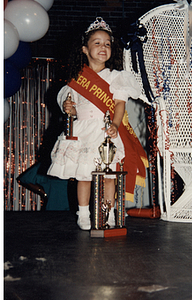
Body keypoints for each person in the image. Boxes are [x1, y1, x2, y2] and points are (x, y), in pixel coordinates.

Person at [47, 17, 142, 230]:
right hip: (83, 132)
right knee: (84, 176)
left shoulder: (116, 77)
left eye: (107, 44)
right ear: (84, 49)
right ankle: (83, 214)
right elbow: (68, 103)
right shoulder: (77, 78)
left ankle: (107, 214)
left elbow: (119, 105)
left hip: (104, 130)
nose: (103, 47)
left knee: (109, 177)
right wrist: (68, 107)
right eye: (97, 43)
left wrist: (116, 126)